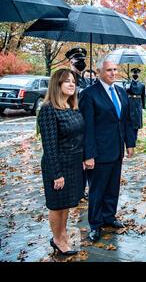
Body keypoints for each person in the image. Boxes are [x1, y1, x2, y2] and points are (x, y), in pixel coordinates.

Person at [79, 57, 136, 242]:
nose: (113, 73)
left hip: (117, 149)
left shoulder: (120, 91)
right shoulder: (89, 94)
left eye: (115, 69)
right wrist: (89, 155)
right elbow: (86, 127)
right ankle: (95, 224)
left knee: (113, 187)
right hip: (98, 153)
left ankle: (109, 217)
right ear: (99, 73)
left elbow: (126, 120)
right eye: (109, 70)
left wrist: (130, 143)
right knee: (97, 190)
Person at [37, 69, 84, 256]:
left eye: (73, 81)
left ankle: (63, 234)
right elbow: (49, 146)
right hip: (57, 165)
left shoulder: (71, 107)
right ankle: (57, 239)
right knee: (57, 205)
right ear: (57, 85)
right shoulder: (49, 110)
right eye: (67, 81)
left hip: (73, 163)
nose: (72, 84)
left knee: (66, 204)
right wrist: (56, 174)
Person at [124, 68, 146, 140]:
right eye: (134, 73)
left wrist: (143, 106)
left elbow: (143, 96)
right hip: (130, 103)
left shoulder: (142, 85)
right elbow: (125, 94)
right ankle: (129, 136)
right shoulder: (128, 83)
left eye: (136, 73)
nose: (135, 75)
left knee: (137, 120)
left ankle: (135, 136)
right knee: (129, 119)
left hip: (138, 103)